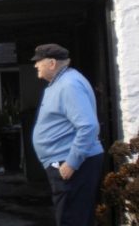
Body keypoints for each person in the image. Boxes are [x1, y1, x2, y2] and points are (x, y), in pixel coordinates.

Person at [31, 43, 104, 226]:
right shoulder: (62, 82)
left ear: (52, 63)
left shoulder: (69, 85)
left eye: (38, 62)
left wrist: (72, 162)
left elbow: (88, 126)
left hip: (72, 165)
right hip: (66, 162)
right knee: (71, 215)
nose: (35, 66)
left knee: (72, 218)